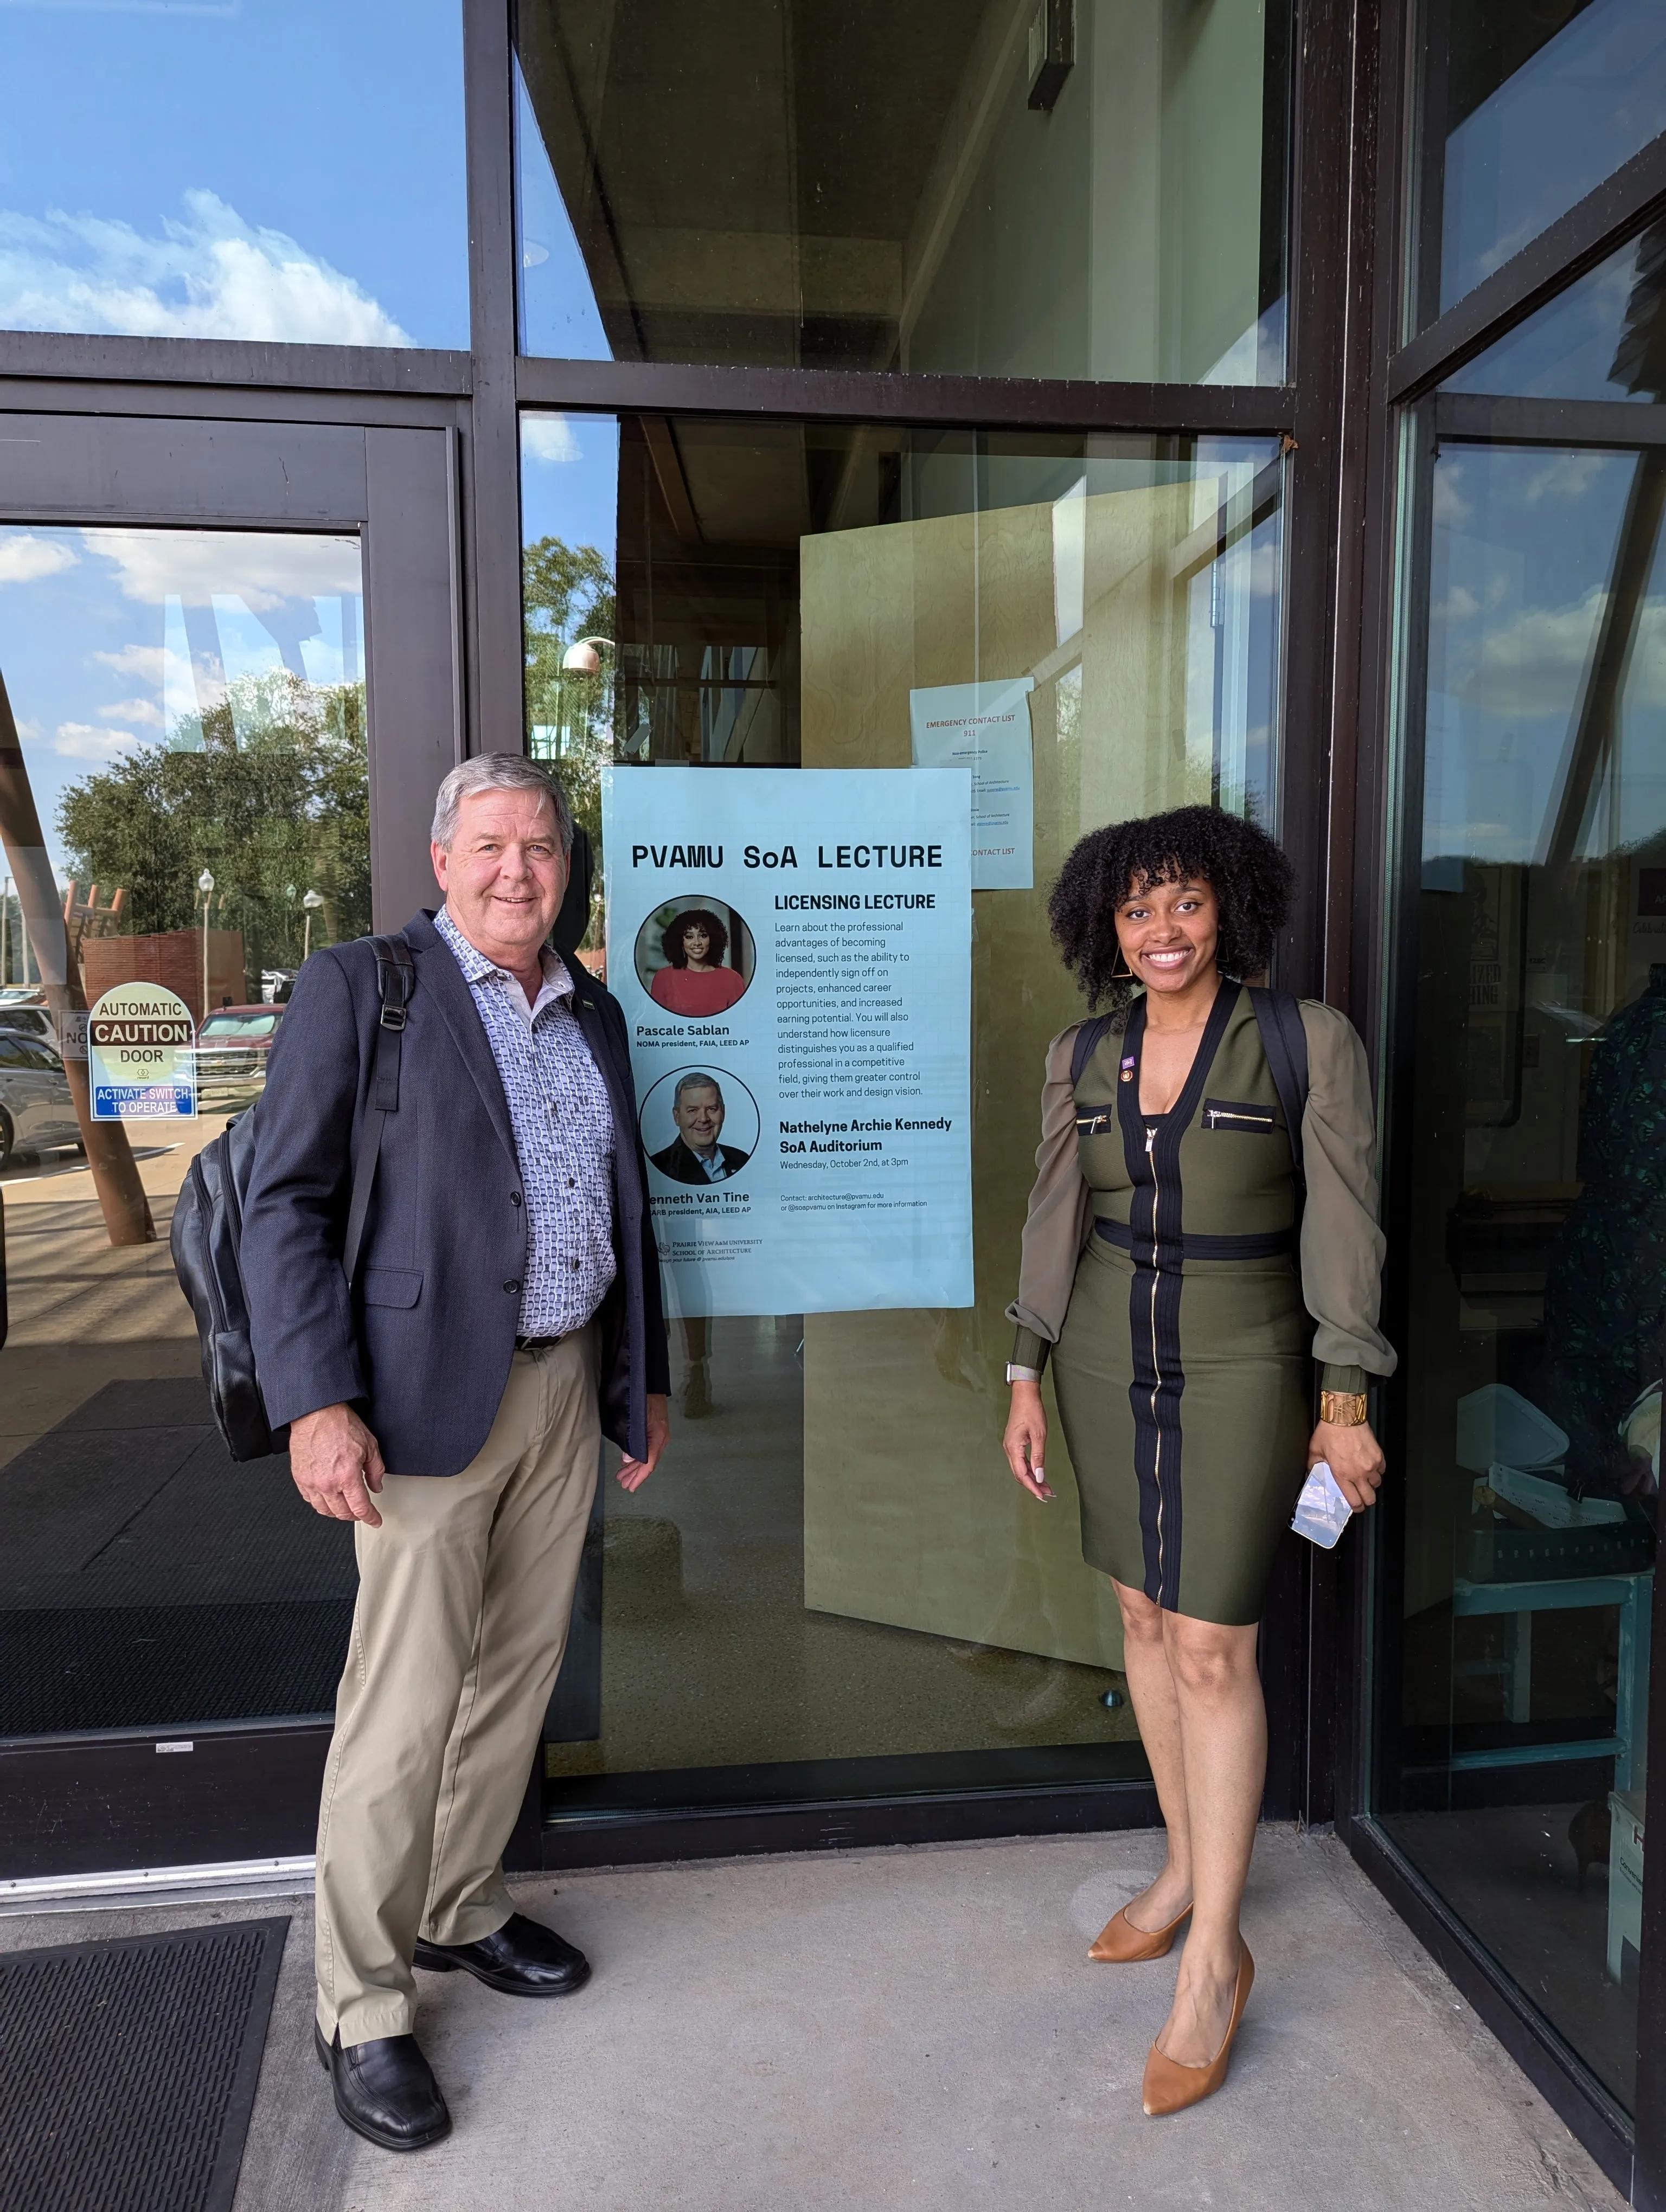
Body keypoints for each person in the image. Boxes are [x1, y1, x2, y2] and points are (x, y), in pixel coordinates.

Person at [241, 753, 670, 2155]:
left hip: (563, 1385)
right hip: (417, 1405)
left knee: (516, 1680)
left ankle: (461, 1906)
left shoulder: (594, 1008)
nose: (516, 872)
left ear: (566, 865)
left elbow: (625, 1210)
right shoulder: (367, 989)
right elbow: (285, 1204)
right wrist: (316, 1400)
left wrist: (635, 1385)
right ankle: (359, 2004)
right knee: (403, 1708)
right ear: (441, 859)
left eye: (540, 847)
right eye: (489, 845)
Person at [1001, 804, 1393, 2118]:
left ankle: (1215, 1949)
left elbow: (1344, 1223)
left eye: (1179, 902)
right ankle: (1180, 1868)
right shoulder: (1082, 1051)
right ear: (1100, 930)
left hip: (1243, 1359)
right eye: (1132, 910)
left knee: (1212, 1640)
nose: (1158, 930)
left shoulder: (1300, 1039)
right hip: (1102, 1356)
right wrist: (1020, 1367)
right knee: (1136, 1610)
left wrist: (1342, 1395)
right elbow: (1054, 1216)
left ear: (1223, 905)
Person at [649, 1071, 750, 1182]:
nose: (703, 1119)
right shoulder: (659, 1167)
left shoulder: (742, 1159)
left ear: (723, 1112)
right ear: (677, 1117)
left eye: (712, 1109)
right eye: (693, 1110)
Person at [649, 906, 748, 1017]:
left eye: (703, 936)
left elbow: (739, 1024)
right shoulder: (663, 977)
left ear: (713, 939)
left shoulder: (732, 979)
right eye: (689, 937)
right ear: (680, 942)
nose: (697, 942)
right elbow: (657, 1024)